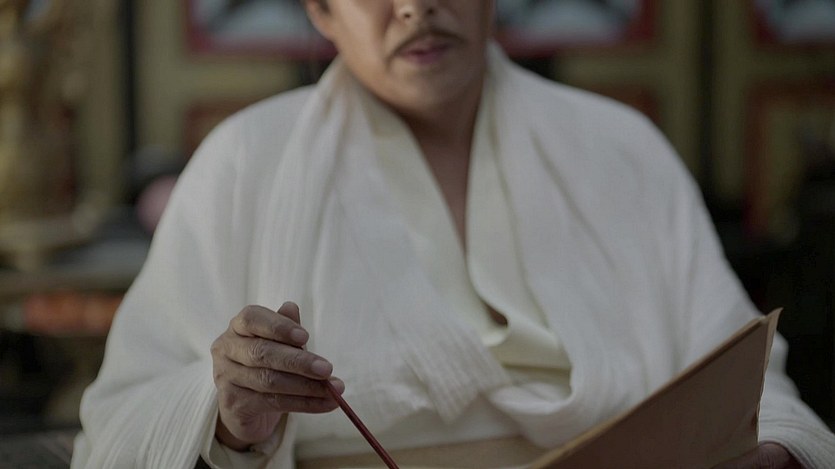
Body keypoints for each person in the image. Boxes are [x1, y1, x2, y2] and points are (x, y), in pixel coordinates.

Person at [72, 1, 835, 468]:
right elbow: (120, 425)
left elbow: (747, 379)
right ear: (321, 12)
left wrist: (774, 448)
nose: (415, 7)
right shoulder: (244, 161)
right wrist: (229, 416)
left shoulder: (620, 149)